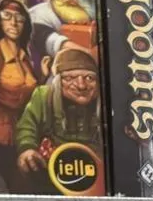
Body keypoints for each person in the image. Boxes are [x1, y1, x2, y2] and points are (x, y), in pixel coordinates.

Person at [14, 45, 100, 190]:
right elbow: (27, 126)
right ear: (58, 80)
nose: (81, 85)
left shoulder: (105, 102)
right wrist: (27, 148)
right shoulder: (43, 96)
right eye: (70, 78)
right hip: (50, 169)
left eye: (89, 78)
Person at [0, 0, 37, 191]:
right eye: (7, 16)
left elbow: (28, 97)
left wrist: (43, 76)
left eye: (19, 18)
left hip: (17, 137)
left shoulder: (25, 56)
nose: (13, 22)